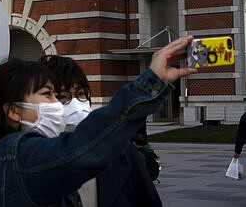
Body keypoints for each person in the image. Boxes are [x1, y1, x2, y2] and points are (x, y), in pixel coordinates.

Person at [0, 36, 197, 206]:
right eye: (49, 95)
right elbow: (86, 148)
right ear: (13, 111)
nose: (58, 105)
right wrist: (151, 82)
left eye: (79, 95)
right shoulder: (19, 157)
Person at [39, 55, 162, 207]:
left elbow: (149, 199)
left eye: (80, 94)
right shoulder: (30, 163)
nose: (76, 104)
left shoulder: (120, 151)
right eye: (63, 96)